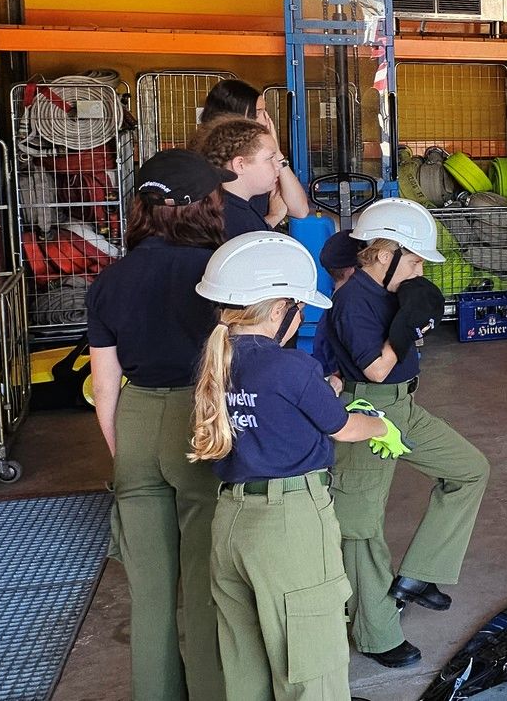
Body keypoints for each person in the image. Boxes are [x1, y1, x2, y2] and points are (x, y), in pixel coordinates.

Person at [188, 231, 399, 701]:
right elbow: (343, 428)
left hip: (231, 524)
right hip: (288, 525)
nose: (301, 317)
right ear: (279, 309)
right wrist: (380, 426)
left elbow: (270, 402)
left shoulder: (216, 364)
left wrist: (322, 387)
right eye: (299, 308)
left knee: (246, 669)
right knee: (311, 668)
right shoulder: (291, 367)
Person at [316, 198, 490, 670]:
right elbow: (375, 369)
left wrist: (410, 312)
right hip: (368, 408)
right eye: (413, 261)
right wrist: (407, 324)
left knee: (469, 470)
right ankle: (376, 635)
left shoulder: (389, 289)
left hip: (404, 405)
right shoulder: (354, 300)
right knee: (361, 529)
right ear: (382, 253)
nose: (418, 271)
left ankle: (419, 574)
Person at [85, 149, 232, 701]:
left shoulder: (110, 281)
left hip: (136, 419)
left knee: (149, 594)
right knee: (203, 584)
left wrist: (124, 453)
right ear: (201, 206)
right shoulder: (219, 273)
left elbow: (104, 386)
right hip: (201, 418)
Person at [200, 79, 310, 228]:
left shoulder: (262, 159)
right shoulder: (208, 169)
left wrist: (276, 151)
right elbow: (233, 233)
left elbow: (300, 210)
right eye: (258, 112)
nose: (266, 120)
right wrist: (272, 218)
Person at [193, 118, 284, 239]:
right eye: (270, 158)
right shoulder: (234, 219)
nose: (278, 165)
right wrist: (275, 216)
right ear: (240, 165)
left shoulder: (217, 203)